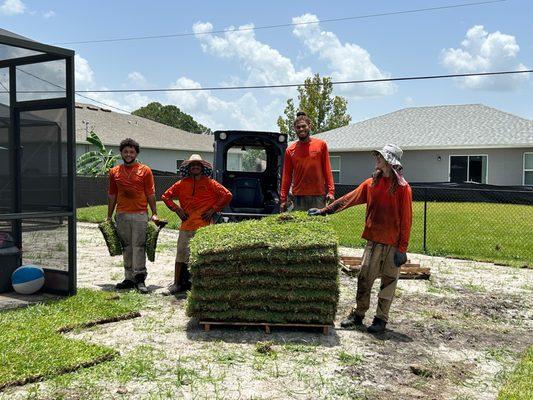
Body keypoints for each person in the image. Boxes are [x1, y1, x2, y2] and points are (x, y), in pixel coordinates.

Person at [309, 144, 412, 333]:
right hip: (373, 242)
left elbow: (406, 220)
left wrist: (402, 249)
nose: (377, 160)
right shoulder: (371, 184)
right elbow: (349, 198)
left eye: (380, 157)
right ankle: (358, 315)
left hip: (392, 245)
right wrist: (324, 211)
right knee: (364, 279)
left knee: (388, 283)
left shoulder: (403, 189)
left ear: (390, 162)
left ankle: (380, 320)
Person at [161, 154, 232, 295]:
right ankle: (176, 284)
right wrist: (177, 209)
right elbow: (165, 196)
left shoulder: (210, 183)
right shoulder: (181, 184)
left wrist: (213, 210)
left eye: (197, 165)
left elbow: (227, 195)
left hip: (204, 226)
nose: (195, 167)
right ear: (188, 168)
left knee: (204, 256)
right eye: (192, 165)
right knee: (181, 255)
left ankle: (203, 285)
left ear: (202, 167)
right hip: (186, 225)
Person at [107, 138, 160, 294]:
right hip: (122, 214)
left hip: (140, 214)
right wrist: (109, 216)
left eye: (131, 152)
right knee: (127, 247)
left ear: (136, 153)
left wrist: (154, 213)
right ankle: (128, 278)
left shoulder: (145, 170)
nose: (128, 154)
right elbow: (112, 194)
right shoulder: (114, 172)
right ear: (121, 153)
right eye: (125, 151)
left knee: (139, 247)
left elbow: (150, 193)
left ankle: (140, 278)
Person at [280, 111, 335, 212]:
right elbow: (286, 176)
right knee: (300, 226)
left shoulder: (321, 145)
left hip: (318, 196)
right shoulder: (290, 150)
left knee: (318, 226)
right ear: (294, 129)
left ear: (309, 126)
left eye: (303, 126)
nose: (301, 129)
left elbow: (327, 170)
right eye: (298, 127)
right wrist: (283, 199)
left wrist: (331, 192)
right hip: (298, 197)